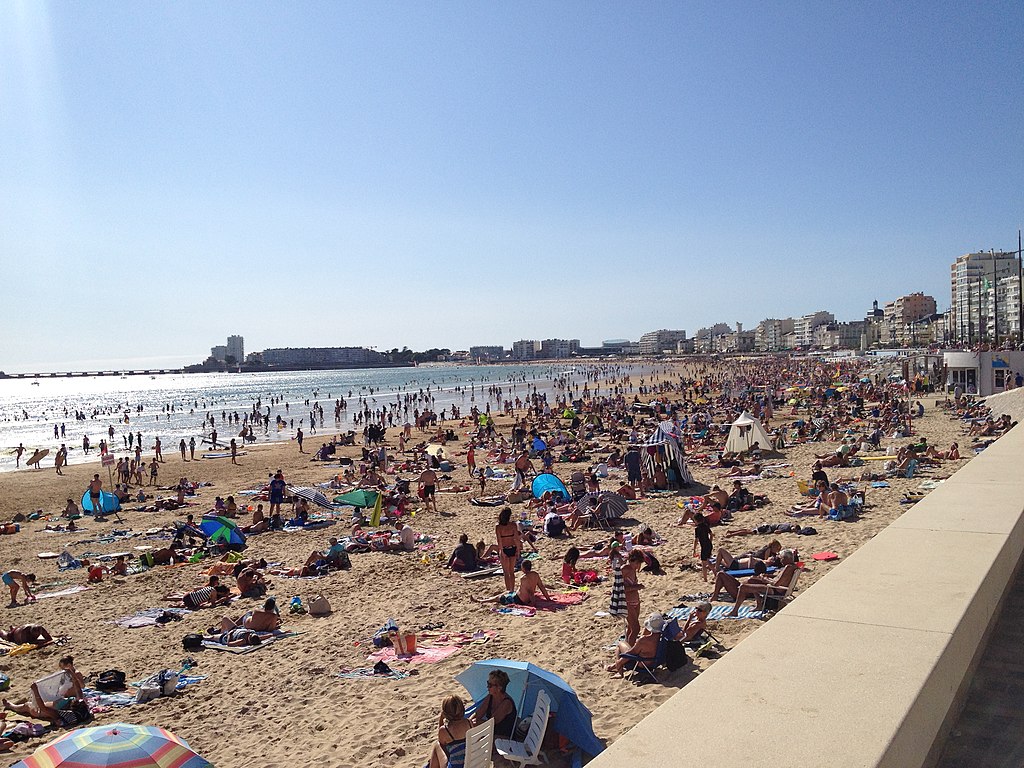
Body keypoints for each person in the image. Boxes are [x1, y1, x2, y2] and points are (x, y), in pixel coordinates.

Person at [712, 562, 799, 617]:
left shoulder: (788, 568)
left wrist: (764, 580)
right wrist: (766, 578)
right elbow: (777, 581)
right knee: (751, 582)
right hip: (774, 588)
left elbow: (776, 584)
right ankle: (759, 606)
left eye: (783, 559)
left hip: (774, 590)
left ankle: (735, 611)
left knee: (743, 587)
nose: (781, 561)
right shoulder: (791, 568)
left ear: (786, 559)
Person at [606, 612, 664, 677]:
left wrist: (619, 662)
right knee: (632, 648)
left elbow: (631, 653)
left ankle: (619, 670)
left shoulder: (644, 640)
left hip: (642, 663)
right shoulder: (663, 637)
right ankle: (614, 666)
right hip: (654, 662)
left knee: (620, 644)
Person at [474, 560, 550, 606]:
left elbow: (529, 592)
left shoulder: (524, 578)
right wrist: (548, 598)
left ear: (523, 568)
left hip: (519, 600)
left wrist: (533, 604)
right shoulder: (535, 574)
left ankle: (481, 601)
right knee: (507, 592)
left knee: (499, 598)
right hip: (524, 598)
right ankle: (487, 599)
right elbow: (541, 587)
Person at [426, 694, 472, 768]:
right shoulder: (469, 723)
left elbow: (442, 743)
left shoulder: (445, 730)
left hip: (456, 766)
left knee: (437, 745)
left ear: (445, 713)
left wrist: (441, 718)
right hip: (471, 763)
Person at [469, 669, 517, 739]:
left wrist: (474, 723)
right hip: (492, 731)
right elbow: (478, 713)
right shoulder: (490, 697)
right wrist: (468, 721)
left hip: (503, 736)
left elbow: (491, 723)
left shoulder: (506, 703)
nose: (487, 687)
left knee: (474, 730)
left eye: (490, 685)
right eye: (488, 683)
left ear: (499, 688)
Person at [495, 507, 521, 592]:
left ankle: (508, 590)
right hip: (512, 548)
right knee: (511, 572)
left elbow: (499, 540)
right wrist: (518, 550)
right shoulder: (513, 525)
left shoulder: (498, 527)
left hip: (504, 549)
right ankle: (512, 589)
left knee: (506, 573)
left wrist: (501, 551)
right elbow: (516, 539)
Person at [622, 550, 645, 644]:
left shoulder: (632, 570)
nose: (638, 566)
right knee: (636, 629)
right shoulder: (625, 569)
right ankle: (629, 653)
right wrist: (637, 586)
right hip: (628, 602)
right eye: (637, 563)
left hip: (635, 600)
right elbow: (620, 588)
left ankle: (627, 647)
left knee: (631, 628)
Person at [693, 512, 714, 582]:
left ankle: (705, 579)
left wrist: (694, 549)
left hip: (704, 547)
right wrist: (710, 541)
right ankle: (715, 574)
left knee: (704, 563)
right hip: (709, 545)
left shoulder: (697, 529)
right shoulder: (705, 525)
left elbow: (696, 540)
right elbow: (711, 534)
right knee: (708, 561)